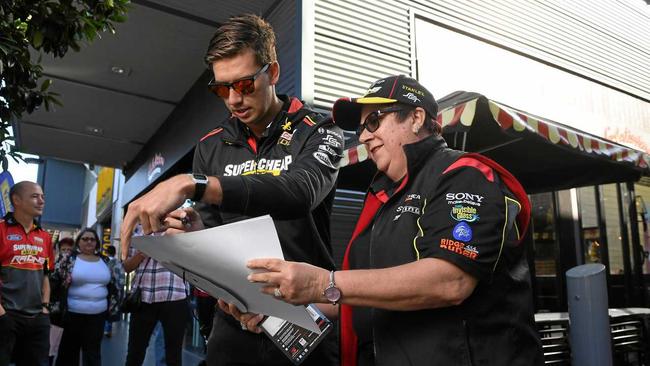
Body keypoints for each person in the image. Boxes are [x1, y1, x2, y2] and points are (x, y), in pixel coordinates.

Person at [246, 75, 545, 366]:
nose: (363, 136)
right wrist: (278, 306)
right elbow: (357, 295)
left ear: (416, 117)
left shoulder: (465, 174)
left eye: (374, 121)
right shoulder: (382, 198)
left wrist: (322, 282)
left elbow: (451, 280)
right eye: (362, 128)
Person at [119, 14, 343, 366]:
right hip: (234, 321)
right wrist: (192, 233)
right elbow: (211, 231)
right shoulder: (210, 145)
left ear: (272, 73)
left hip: (304, 316)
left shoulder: (318, 130)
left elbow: (299, 193)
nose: (234, 99)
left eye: (244, 85)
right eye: (222, 89)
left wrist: (195, 184)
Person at [51, 228, 123, 366]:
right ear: (78, 242)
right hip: (72, 315)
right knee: (68, 353)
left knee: (93, 354)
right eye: (85, 239)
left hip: (98, 316)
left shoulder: (107, 261)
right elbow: (54, 280)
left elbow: (117, 281)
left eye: (92, 239)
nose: (89, 241)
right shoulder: (68, 259)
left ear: (97, 243)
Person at [0, 181, 53, 366]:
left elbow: (46, 275)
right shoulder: (0, 230)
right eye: (35, 196)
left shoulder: (45, 237)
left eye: (43, 197)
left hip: (38, 318)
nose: (41, 201)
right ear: (16, 200)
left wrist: (45, 308)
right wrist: (1, 313)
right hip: (6, 316)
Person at [122, 235, 189, 366]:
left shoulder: (181, 229)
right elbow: (126, 267)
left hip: (175, 295)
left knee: (174, 355)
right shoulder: (138, 231)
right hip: (144, 297)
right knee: (135, 354)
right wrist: (142, 254)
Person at [103, 245, 123, 338]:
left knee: (102, 307)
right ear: (115, 253)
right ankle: (108, 329)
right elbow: (121, 278)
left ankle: (102, 328)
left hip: (103, 289)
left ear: (106, 252)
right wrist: (119, 288)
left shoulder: (102, 262)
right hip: (113, 289)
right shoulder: (118, 263)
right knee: (111, 309)